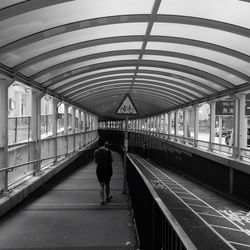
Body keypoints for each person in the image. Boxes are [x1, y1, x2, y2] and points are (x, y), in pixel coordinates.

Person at [94, 138, 113, 205]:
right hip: (107, 169)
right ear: (104, 143)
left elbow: (96, 161)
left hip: (99, 169)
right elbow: (111, 160)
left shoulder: (96, 152)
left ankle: (102, 200)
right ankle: (107, 197)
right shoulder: (108, 151)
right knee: (107, 184)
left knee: (101, 186)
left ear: (98, 144)